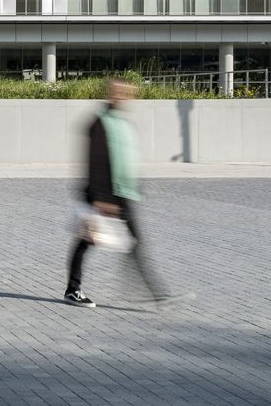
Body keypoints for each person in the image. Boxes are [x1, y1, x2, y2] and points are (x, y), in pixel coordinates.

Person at [65, 79, 189, 309]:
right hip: (103, 196)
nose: (122, 97)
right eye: (118, 92)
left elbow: (126, 158)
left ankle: (156, 294)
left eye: (126, 93)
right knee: (85, 242)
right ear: (109, 94)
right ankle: (73, 290)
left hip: (122, 195)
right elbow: (96, 161)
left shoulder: (122, 122)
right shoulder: (99, 122)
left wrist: (134, 187)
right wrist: (101, 198)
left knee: (132, 243)